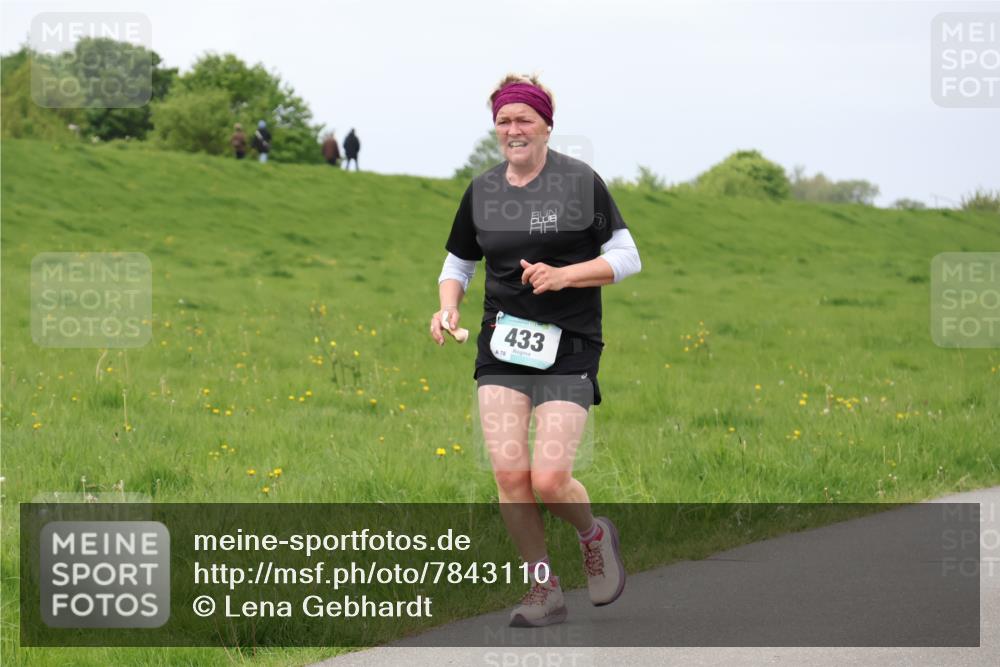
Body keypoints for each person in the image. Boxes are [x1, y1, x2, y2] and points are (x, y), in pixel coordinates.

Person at [430, 74, 641, 627]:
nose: (513, 129)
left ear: (547, 125)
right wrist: (448, 307)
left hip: (569, 345)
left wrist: (566, 275)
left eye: (524, 119)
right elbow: (458, 263)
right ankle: (543, 588)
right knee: (509, 476)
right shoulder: (482, 191)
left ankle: (593, 536)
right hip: (502, 345)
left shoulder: (579, 183)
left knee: (548, 480)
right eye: (503, 121)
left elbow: (627, 257)